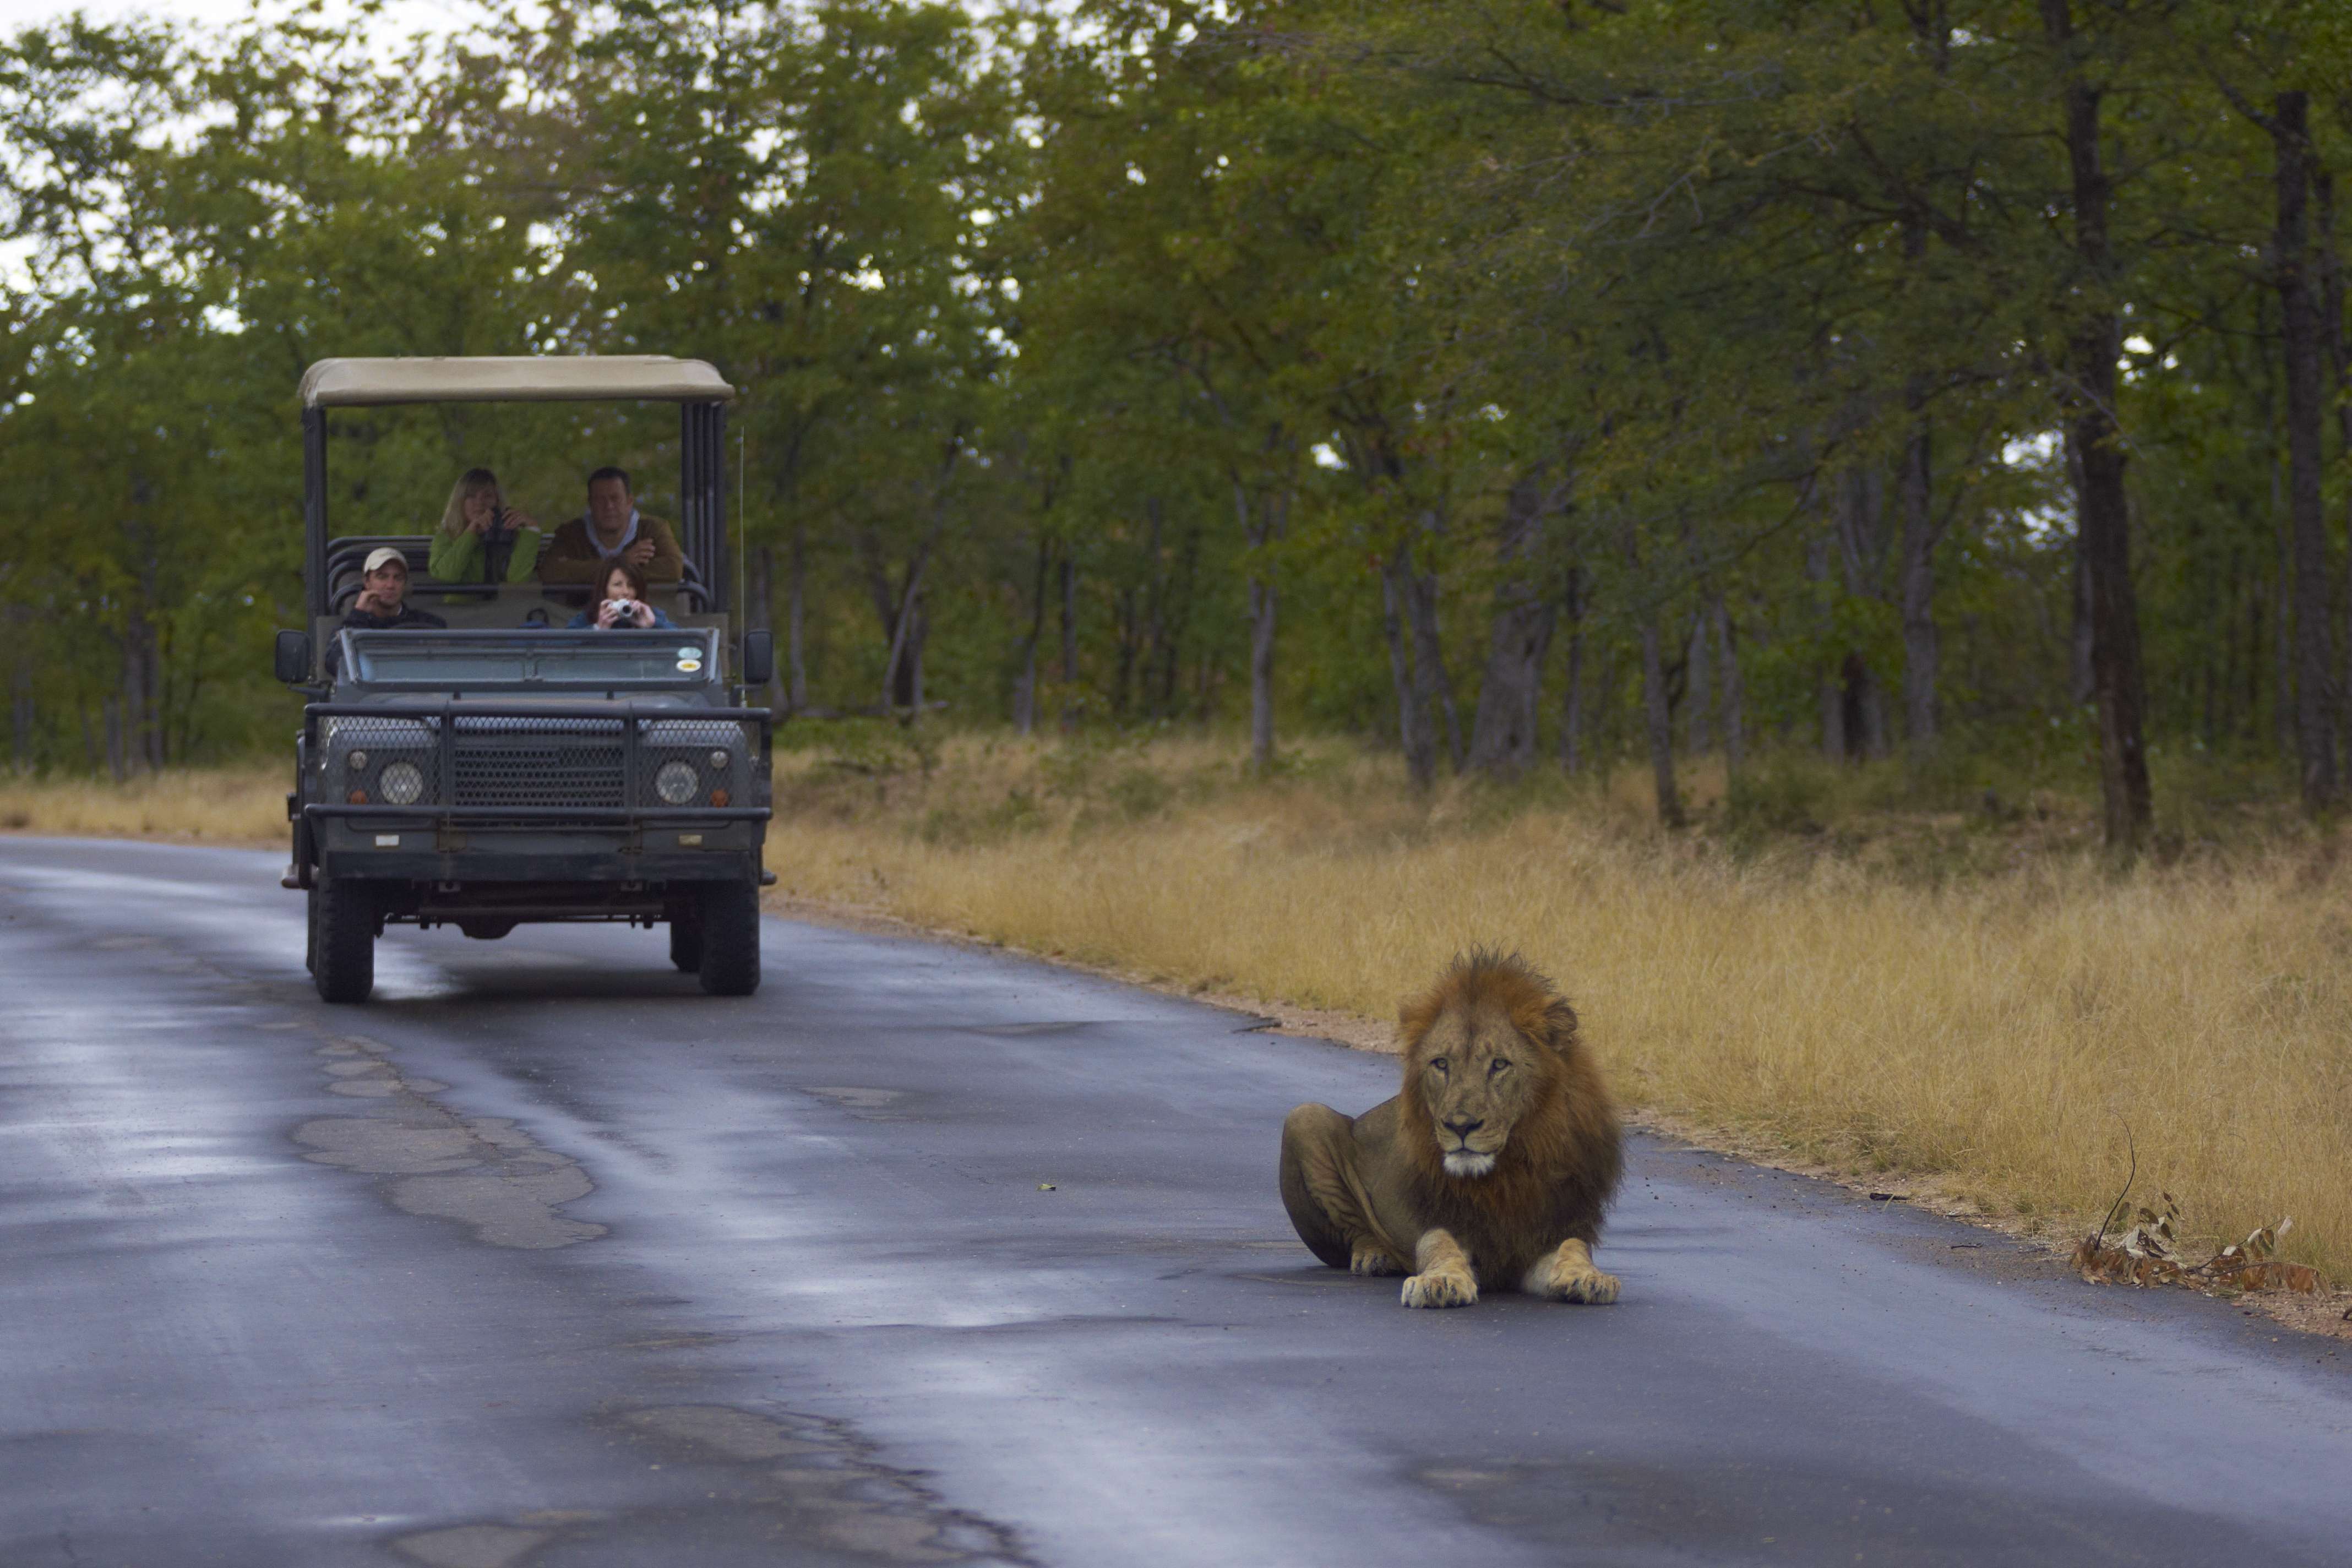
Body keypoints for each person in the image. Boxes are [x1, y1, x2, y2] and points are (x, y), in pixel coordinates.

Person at [536, 466, 685, 586]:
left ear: (629, 502)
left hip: (642, 616)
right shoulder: (570, 533)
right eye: (600, 500)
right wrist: (622, 562)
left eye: (615, 499)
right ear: (590, 504)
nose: (609, 506)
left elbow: (673, 568)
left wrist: (597, 570)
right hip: (581, 618)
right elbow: (551, 571)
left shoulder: (653, 529)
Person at [427, 467, 542, 583]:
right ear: (460, 501)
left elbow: (517, 581)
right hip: (459, 602)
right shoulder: (446, 536)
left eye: (487, 496)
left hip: (502, 601)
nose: (480, 502)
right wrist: (470, 535)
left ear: (497, 502)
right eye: (471, 496)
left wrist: (532, 529)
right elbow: (444, 577)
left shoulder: (509, 535)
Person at [344, 547, 447, 631]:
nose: (390, 585)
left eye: (398, 578)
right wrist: (358, 614)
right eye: (382, 577)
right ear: (367, 582)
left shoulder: (429, 624)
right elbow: (337, 653)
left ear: (405, 584)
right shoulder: (354, 624)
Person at [566, 559, 676, 629]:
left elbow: (687, 645)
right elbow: (559, 648)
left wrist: (654, 625)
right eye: (618, 585)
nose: (626, 592)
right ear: (604, 589)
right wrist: (597, 629)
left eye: (631, 585)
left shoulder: (650, 615)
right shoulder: (590, 616)